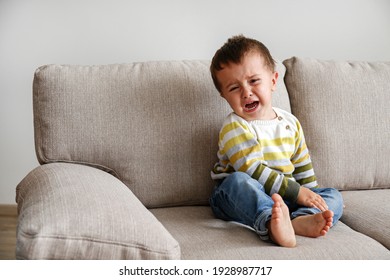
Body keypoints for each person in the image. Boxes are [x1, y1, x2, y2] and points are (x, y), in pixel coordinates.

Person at [209, 35, 344, 247]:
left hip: (286, 197)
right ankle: (272, 223)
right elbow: (251, 168)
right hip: (240, 196)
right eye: (234, 88)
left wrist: (309, 196)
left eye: (254, 81)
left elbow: (302, 167)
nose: (246, 92)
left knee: (333, 196)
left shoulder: (290, 123)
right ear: (224, 95)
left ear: (273, 81)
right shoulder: (235, 126)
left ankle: (300, 220)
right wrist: (297, 192)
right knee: (238, 182)